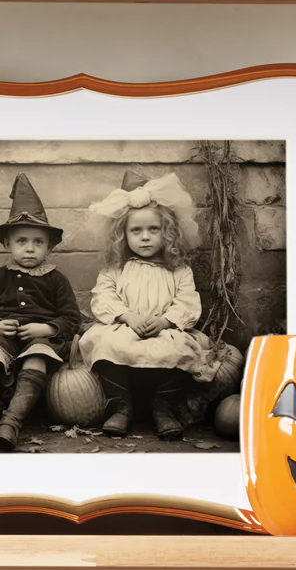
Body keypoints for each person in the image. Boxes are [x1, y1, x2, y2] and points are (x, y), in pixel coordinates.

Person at [80, 170, 219, 440]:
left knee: (180, 347)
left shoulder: (178, 270)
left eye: (153, 229)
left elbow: (187, 302)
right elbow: (103, 297)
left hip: (163, 328)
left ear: (166, 233)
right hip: (126, 326)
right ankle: (122, 406)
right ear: (123, 235)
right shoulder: (114, 269)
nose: (145, 237)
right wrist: (128, 316)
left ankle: (162, 407)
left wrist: (165, 321)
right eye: (136, 230)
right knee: (100, 342)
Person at [0, 174, 80, 450]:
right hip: (5, 339)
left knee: (37, 357)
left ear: (50, 246)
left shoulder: (56, 279)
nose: (30, 248)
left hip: (42, 340)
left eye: (38, 242)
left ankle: (12, 422)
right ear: (7, 245)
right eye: (21, 241)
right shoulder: (2, 276)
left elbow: (72, 318)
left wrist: (47, 328)